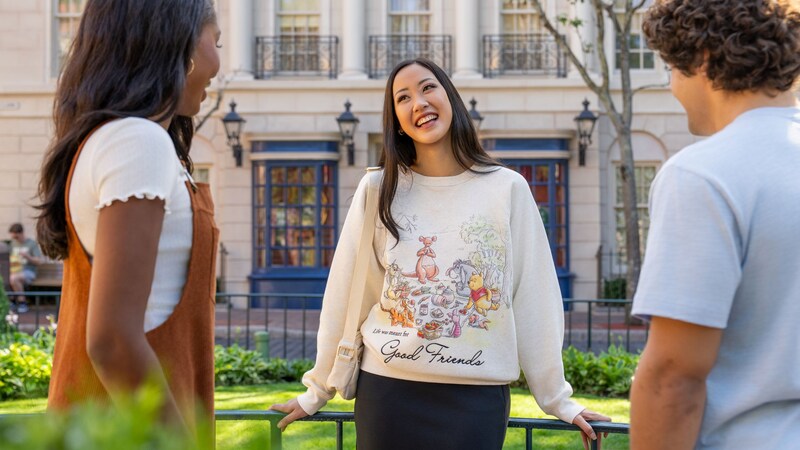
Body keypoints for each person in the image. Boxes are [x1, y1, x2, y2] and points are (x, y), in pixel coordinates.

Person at [270, 58, 609, 450]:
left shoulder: (507, 189)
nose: (419, 102)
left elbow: (534, 296)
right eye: (403, 97)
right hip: (388, 393)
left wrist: (559, 400)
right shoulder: (378, 189)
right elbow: (347, 294)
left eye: (428, 88)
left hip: (475, 401)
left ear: (450, 97)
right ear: (396, 119)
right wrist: (316, 391)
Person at [35, 0, 221, 438]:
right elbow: (113, 339)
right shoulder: (139, 140)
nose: (218, 62)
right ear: (180, 42)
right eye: (217, 40)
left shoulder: (117, 138)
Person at [629, 1, 800, 449]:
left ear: (702, 59)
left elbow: (673, 376)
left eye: (671, 67)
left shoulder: (703, 174)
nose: (671, 86)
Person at [7, 223, 44, 313]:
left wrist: (28, 257)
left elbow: (39, 261)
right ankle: (11, 301)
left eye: (17, 237)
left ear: (22, 233)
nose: (15, 239)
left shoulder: (31, 244)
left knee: (14, 279)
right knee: (9, 278)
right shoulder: (13, 244)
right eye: (13, 237)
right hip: (14, 271)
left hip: (28, 271)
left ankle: (22, 302)